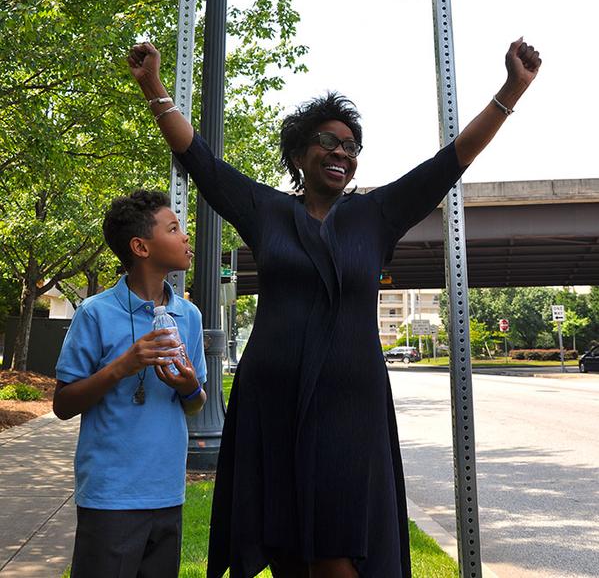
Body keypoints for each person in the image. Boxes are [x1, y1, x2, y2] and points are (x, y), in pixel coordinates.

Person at [128, 37, 541, 578]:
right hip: (270, 403)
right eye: (329, 141)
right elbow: (198, 158)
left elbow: (452, 160)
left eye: (351, 147)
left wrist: (512, 89)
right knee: (286, 549)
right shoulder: (267, 210)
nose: (343, 152)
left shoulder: (377, 215)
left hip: (349, 408)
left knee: (337, 552)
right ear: (299, 154)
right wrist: (154, 84)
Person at [53, 189, 207, 578]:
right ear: (140, 246)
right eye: (173, 228)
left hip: (167, 492)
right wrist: (122, 366)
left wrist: (189, 387)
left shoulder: (187, 315)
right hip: (110, 497)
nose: (185, 236)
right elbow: (63, 404)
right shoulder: (95, 313)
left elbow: (196, 404)